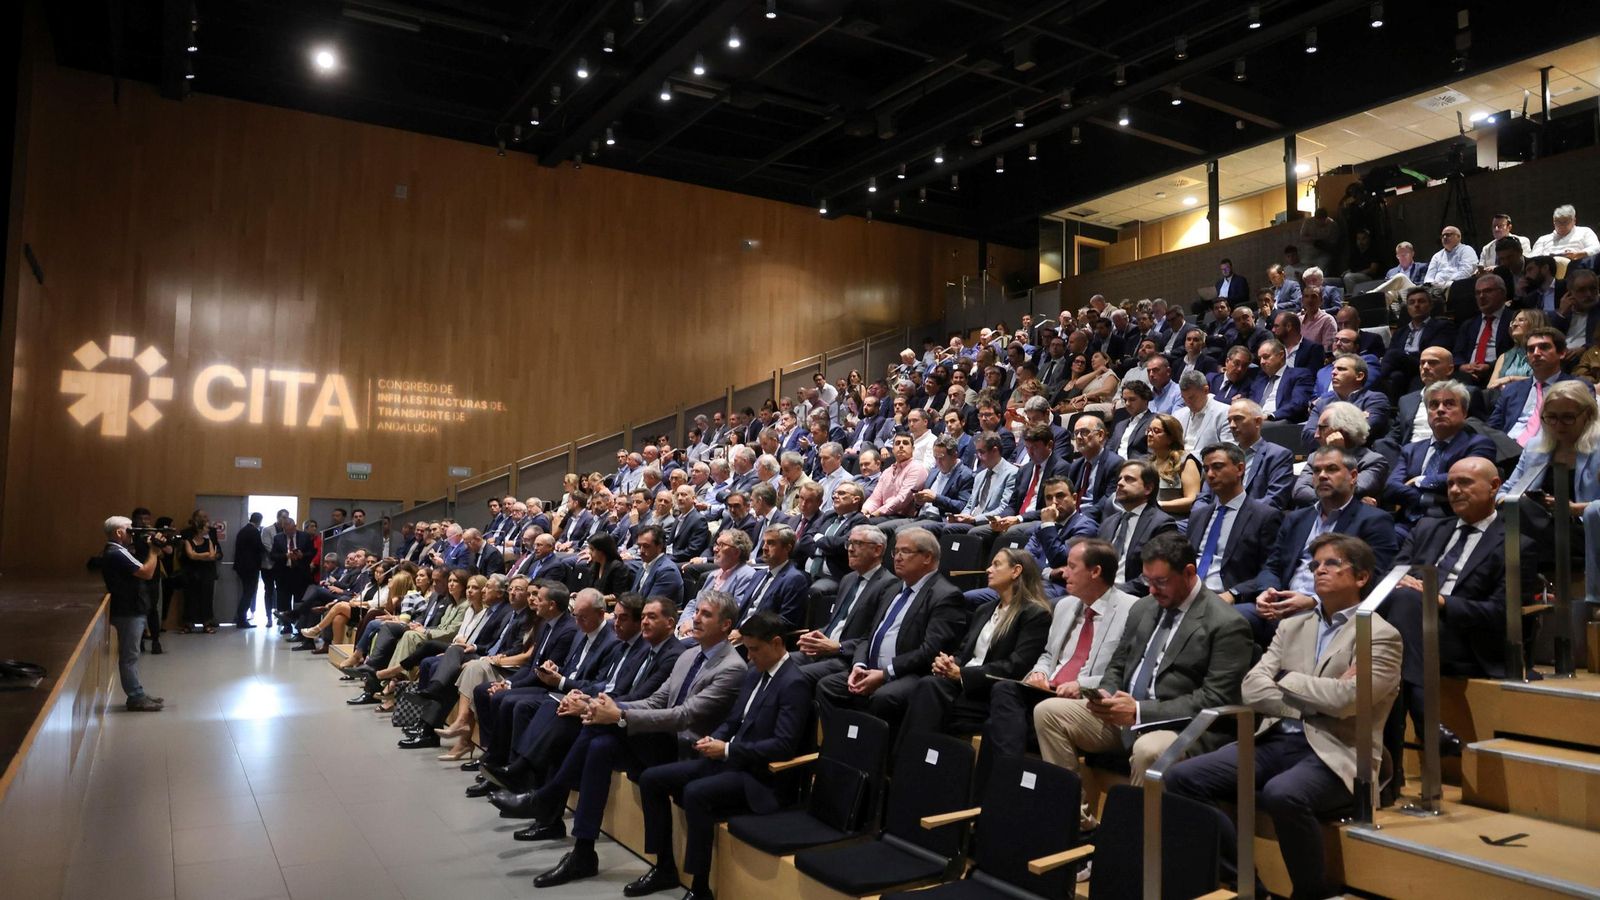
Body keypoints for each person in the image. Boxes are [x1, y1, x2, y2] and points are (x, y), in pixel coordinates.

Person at [1164, 533, 1401, 900]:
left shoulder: (1381, 635)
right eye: (1315, 565)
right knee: (1181, 777)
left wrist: (1285, 680)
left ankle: (1314, 892)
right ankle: (1246, 882)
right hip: (1276, 738)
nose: (1318, 571)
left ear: (1362, 577)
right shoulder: (1292, 625)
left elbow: (1348, 702)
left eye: (1331, 564)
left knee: (1283, 794)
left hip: (1337, 748)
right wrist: (1312, 694)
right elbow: (1252, 689)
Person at [523, 592, 746, 889]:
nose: (696, 618)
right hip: (660, 739)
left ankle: (549, 796)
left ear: (726, 624)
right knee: (600, 742)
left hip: (689, 750)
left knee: (601, 729)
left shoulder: (732, 666)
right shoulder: (690, 655)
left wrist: (619, 716)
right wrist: (610, 710)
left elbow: (684, 716)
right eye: (698, 612)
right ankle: (583, 851)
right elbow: (656, 701)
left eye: (706, 614)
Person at [1031, 533, 1253, 798]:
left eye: (1161, 582)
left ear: (1189, 572)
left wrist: (1138, 711)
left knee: (1148, 750)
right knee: (1048, 712)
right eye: (1148, 581)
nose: (1152, 590)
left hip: (1182, 726)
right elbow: (1118, 664)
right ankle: (1072, 818)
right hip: (1127, 713)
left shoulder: (1227, 624)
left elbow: (1214, 699)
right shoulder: (1144, 608)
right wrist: (1107, 693)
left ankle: (1137, 834)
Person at [632, 611, 812, 900]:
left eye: (754, 649)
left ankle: (700, 886)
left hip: (760, 777)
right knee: (651, 779)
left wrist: (727, 749)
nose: (749, 657)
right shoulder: (755, 673)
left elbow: (783, 746)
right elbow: (734, 720)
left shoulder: (794, 684)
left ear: (777, 644)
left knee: (695, 793)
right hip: (731, 761)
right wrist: (715, 737)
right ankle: (664, 866)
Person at [1230, 446, 1399, 647]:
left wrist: (1314, 601)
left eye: (1331, 469)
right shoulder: (1297, 518)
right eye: (1317, 471)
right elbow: (1272, 566)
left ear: (1353, 476)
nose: (1322, 476)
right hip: (1281, 604)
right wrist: (1269, 591)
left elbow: (1373, 578)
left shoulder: (1374, 520)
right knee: (1226, 620)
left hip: (1331, 612)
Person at [813, 527, 968, 728]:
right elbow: (868, 636)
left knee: (884, 697)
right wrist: (859, 665)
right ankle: (840, 745)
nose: (897, 558)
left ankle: (877, 756)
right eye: (896, 552)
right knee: (828, 686)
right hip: (872, 668)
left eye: (905, 551)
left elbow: (930, 651)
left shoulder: (946, 595)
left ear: (927, 557)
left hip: (911, 673)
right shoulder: (894, 588)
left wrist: (886, 673)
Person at [899, 547, 1052, 747]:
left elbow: (1017, 665)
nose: (988, 569)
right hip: (965, 685)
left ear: (1016, 571)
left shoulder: (1034, 614)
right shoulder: (985, 609)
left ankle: (913, 760)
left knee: (929, 698)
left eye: (996, 564)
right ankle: (915, 759)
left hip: (992, 692)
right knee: (928, 684)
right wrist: (949, 663)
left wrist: (961, 674)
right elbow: (964, 652)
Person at [1497, 380, 1600, 610]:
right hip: (1541, 526)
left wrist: (1573, 508)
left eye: (1568, 417)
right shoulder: (1535, 447)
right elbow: (1504, 493)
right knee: (1516, 509)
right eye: (1551, 417)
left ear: (1588, 414)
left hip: (1585, 530)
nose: (1558, 425)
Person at [1384, 380, 1498, 528]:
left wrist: (1421, 481)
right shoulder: (1411, 449)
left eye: (1449, 404)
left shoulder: (1479, 444)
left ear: (1464, 412)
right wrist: (1425, 498)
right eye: (1434, 405)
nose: (1440, 410)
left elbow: (1467, 480)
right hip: (1405, 524)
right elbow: (1392, 488)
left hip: (1451, 522)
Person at [1188, 443, 1283, 605]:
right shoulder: (1198, 515)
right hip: (1187, 593)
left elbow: (1270, 571)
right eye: (1206, 468)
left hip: (1227, 598)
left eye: (1217, 467)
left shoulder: (1265, 516)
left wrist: (1234, 593)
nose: (1210, 474)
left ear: (1240, 469)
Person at [101, 516, 165, 711]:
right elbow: (146, 572)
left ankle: (137, 692)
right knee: (130, 656)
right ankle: (136, 696)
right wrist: (154, 551)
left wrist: (148, 547)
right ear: (119, 532)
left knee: (131, 654)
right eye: (130, 530)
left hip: (129, 608)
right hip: (128, 610)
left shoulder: (118, 551)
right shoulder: (117, 552)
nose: (133, 534)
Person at [1487, 327, 1579, 446]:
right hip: (1507, 447)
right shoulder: (1512, 389)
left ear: (1562, 353)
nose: (1536, 353)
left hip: (1546, 449)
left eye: (1544, 347)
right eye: (1531, 349)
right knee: (1471, 424)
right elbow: (1493, 426)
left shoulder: (1577, 387)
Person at [1146, 414, 1201, 519]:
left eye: (1156, 431)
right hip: (1151, 518)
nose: (1149, 434)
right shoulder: (1149, 463)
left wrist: (1159, 505)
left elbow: (1192, 500)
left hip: (1175, 521)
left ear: (1171, 438)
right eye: (1149, 430)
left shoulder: (1185, 461)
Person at [1251, 339, 1316, 423]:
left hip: (1280, 421)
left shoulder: (1300, 374)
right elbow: (1250, 402)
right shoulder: (1260, 379)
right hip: (1255, 421)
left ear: (1281, 355)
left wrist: (1270, 416)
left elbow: (1298, 403)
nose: (1262, 362)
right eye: (1260, 358)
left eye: (1266, 357)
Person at [179, 510, 222, 633]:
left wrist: (202, 555)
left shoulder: (211, 535)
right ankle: (188, 623)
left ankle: (207, 622)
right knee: (190, 597)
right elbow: (191, 555)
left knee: (207, 597)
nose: (206, 521)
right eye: (203, 518)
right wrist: (205, 555)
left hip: (207, 571)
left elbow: (214, 553)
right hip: (191, 570)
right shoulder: (186, 534)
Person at [1530, 204, 1600, 260]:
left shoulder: (1585, 231)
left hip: (1577, 266)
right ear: (1553, 222)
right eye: (1558, 222)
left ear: (1574, 221)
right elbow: (1533, 258)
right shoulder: (1543, 239)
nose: (1562, 226)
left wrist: (1578, 254)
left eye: (1565, 222)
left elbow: (1596, 248)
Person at [232, 512, 265, 628]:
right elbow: (260, 548)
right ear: (259, 521)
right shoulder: (254, 532)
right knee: (248, 593)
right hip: (250, 567)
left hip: (241, 567)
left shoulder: (242, 531)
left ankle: (240, 617)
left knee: (246, 592)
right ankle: (242, 619)